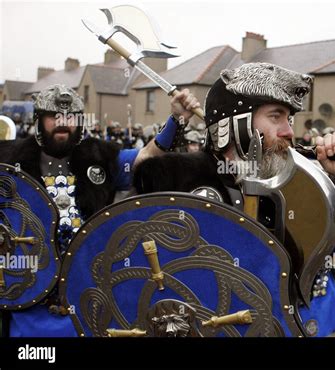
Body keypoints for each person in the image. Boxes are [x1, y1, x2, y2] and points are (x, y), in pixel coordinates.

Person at [134, 62, 335, 337]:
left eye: (289, 119)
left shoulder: (299, 187)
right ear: (237, 120)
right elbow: (139, 179)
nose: (289, 131)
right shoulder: (181, 176)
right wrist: (175, 121)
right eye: (276, 116)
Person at [0, 83, 200, 336]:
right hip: (29, 300)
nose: (63, 123)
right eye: (54, 116)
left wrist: (176, 120)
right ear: (39, 120)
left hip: (89, 293)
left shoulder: (101, 157)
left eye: (70, 116)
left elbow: (145, 157)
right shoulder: (9, 162)